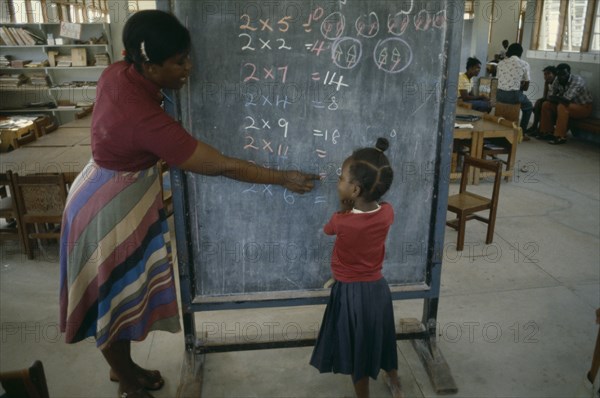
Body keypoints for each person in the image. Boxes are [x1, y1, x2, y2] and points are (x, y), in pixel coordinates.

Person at [58, 10, 319, 398]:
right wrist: (282, 177)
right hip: (109, 211)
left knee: (123, 294)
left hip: (102, 187)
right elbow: (221, 165)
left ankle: (124, 368)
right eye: (178, 62)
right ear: (148, 65)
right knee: (109, 301)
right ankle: (129, 383)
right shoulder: (147, 121)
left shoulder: (119, 72)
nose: (188, 68)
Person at [310, 138, 402, 398]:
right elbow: (378, 210)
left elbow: (329, 230)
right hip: (378, 290)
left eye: (342, 178)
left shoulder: (341, 221)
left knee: (357, 349)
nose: (338, 182)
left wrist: (344, 210)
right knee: (383, 338)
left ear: (355, 191)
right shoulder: (388, 212)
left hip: (351, 294)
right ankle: (394, 382)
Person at [538, 63, 593, 145]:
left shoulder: (577, 80)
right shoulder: (557, 79)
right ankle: (547, 132)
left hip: (584, 108)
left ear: (569, 73)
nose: (561, 77)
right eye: (559, 74)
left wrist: (556, 98)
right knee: (546, 104)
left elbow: (566, 100)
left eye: (564, 74)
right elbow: (550, 97)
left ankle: (560, 137)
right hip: (569, 105)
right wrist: (557, 98)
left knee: (562, 106)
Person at [496, 42, 533, 134]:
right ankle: (522, 132)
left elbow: (498, 80)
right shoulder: (524, 64)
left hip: (499, 95)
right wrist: (520, 85)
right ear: (520, 53)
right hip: (514, 96)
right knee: (528, 106)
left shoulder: (500, 63)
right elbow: (526, 88)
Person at [525, 65, 556, 137]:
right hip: (549, 101)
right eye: (545, 74)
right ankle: (535, 126)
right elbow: (545, 96)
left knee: (543, 105)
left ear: (554, 74)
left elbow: (553, 97)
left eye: (549, 74)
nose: (546, 76)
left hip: (555, 104)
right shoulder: (547, 82)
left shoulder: (556, 82)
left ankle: (540, 129)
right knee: (538, 102)